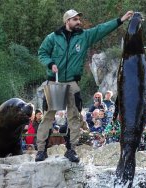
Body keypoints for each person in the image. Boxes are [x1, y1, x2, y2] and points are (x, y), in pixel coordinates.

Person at [35, 9, 134, 162]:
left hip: (72, 82)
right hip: (55, 81)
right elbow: (42, 52)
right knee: (48, 116)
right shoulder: (53, 37)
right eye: (75, 19)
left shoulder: (84, 36)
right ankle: (41, 150)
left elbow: (101, 29)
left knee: (74, 116)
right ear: (67, 21)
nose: (79, 22)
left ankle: (71, 149)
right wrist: (50, 63)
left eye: (79, 19)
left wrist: (120, 20)